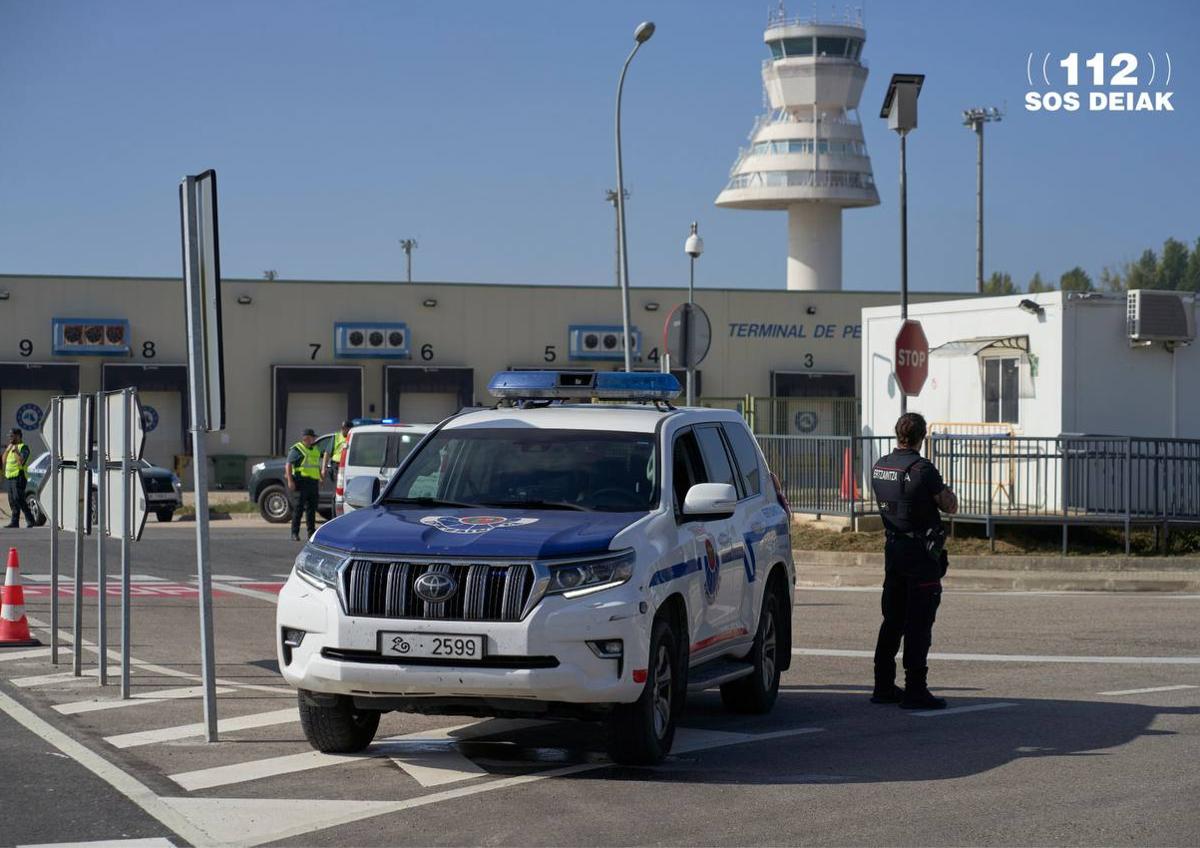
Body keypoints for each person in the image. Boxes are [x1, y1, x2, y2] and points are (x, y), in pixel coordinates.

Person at [869, 412, 958, 710]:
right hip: (921, 555)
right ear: (922, 437)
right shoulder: (923, 469)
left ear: (897, 434)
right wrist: (947, 493)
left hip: (893, 550)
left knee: (892, 619)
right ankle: (915, 689)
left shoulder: (880, 466)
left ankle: (882, 684)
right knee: (919, 623)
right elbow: (950, 505)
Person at [286, 428, 322, 541]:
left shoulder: (315, 449)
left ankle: (311, 534)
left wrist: (320, 477)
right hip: (301, 482)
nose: (314, 439)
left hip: (313, 483)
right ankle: (294, 533)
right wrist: (290, 481)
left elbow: (316, 465)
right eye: (313, 437)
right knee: (298, 509)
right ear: (307, 438)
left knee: (312, 510)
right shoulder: (297, 449)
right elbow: (288, 465)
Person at [3, 428, 36, 528]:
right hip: (10, 477)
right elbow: (3, 461)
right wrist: (7, 451)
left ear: (18, 436)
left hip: (19, 476)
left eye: (12, 436)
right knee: (12, 500)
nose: (10, 438)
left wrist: (16, 452)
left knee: (19, 498)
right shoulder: (10, 447)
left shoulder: (24, 447)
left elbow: (21, 462)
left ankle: (30, 520)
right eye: (10, 436)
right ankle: (15, 522)